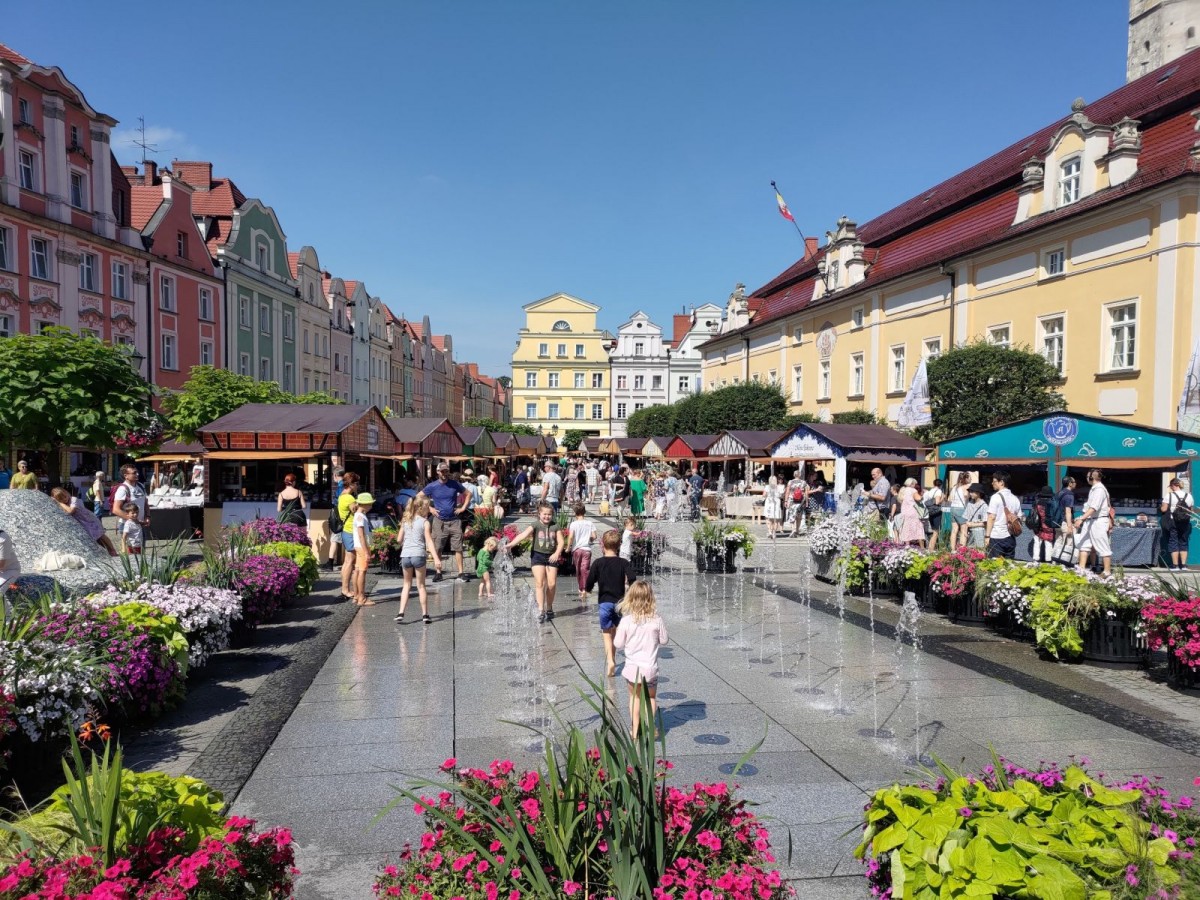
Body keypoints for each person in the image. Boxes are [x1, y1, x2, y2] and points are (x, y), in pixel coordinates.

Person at [614, 580, 668, 740]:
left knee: (634, 698)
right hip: (650, 669)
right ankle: (651, 726)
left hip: (632, 670)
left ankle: (635, 729)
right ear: (651, 598)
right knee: (650, 698)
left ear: (630, 598)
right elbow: (664, 640)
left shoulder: (626, 621)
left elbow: (618, 643)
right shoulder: (656, 619)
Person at [585, 528, 634, 676]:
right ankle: (617, 657)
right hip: (620, 603)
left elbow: (590, 580)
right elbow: (633, 578)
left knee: (607, 633)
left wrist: (587, 590)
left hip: (604, 603)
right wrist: (630, 588)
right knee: (616, 632)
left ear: (602, 545)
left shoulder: (598, 563)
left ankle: (610, 661)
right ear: (619, 545)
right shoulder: (623, 562)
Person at [509, 501, 563, 623]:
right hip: (537, 556)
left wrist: (556, 553)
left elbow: (560, 542)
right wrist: (511, 544)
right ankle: (540, 610)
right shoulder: (535, 525)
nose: (547, 516)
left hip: (551, 557)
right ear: (539, 514)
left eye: (549, 514)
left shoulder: (555, 526)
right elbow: (523, 535)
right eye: (544, 514)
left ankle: (549, 607)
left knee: (552, 584)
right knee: (539, 583)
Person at [395, 495, 440, 625]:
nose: (429, 509)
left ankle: (401, 613)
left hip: (405, 556)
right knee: (421, 586)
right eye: (428, 507)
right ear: (422, 508)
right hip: (418, 555)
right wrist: (436, 558)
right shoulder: (425, 522)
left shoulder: (405, 520)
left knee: (406, 585)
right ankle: (425, 615)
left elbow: (399, 540)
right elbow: (429, 541)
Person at [424, 462, 470, 581]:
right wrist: (430, 508)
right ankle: (438, 572)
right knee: (438, 547)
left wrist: (463, 508)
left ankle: (461, 572)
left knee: (458, 547)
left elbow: (468, 494)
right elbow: (419, 497)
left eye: (446, 471)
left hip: (454, 520)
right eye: (442, 471)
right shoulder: (432, 486)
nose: (444, 473)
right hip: (439, 521)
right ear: (437, 472)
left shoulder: (454, 484)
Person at [50, 486, 117, 556]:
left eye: (65, 496)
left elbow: (70, 511)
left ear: (67, 492)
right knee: (96, 538)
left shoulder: (73, 499)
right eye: (61, 499)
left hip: (90, 520)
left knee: (101, 535)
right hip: (84, 523)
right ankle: (105, 552)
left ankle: (112, 549)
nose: (64, 499)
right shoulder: (65, 505)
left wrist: (60, 503)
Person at [1076, 469, 1113, 576]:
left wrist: (1081, 519)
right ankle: (1081, 569)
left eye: (1088, 476)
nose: (1087, 478)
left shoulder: (1099, 489)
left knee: (1102, 545)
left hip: (1098, 521)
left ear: (1091, 478)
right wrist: (1082, 518)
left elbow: (1094, 507)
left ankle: (1107, 571)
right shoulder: (1094, 489)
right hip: (1090, 520)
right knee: (1083, 544)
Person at [984, 470, 1021, 559]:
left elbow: (991, 517)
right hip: (1010, 537)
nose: (992, 483)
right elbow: (1019, 517)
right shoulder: (1015, 498)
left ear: (1001, 482)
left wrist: (987, 536)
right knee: (1009, 564)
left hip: (997, 536)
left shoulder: (995, 497)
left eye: (994, 481)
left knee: (995, 564)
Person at [113, 464, 149, 555]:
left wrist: (148, 516)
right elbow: (116, 509)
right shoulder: (122, 489)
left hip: (140, 525)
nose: (137, 474)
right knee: (131, 555)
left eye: (137, 472)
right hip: (127, 525)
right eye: (134, 473)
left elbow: (145, 503)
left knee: (140, 553)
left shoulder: (141, 486)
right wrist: (133, 520)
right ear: (126, 476)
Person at [1162, 477, 1194, 571]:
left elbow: (1164, 509)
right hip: (1185, 522)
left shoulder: (1169, 495)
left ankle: (1175, 566)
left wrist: (1161, 507)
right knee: (1184, 541)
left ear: (1174, 485)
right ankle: (1183, 565)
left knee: (1173, 541)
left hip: (1173, 521)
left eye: (1171, 486)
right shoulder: (1189, 496)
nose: (1171, 488)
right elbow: (1190, 510)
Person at [566, 503, 597, 601]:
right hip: (587, 549)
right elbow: (594, 536)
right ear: (585, 512)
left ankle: (581, 588)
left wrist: (568, 547)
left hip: (577, 550)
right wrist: (589, 539)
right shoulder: (590, 523)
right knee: (585, 569)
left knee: (578, 569)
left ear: (575, 513)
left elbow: (571, 537)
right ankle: (586, 588)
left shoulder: (573, 524)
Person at [338, 472, 361, 600]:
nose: (358, 486)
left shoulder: (342, 496)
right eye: (356, 483)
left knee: (347, 561)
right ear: (351, 484)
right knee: (350, 561)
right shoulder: (349, 498)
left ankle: (345, 588)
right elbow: (356, 511)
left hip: (346, 530)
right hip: (350, 530)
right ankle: (345, 589)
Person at [351, 491, 376, 606]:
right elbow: (361, 535)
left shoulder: (358, 515)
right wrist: (366, 552)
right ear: (364, 504)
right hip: (362, 547)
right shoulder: (360, 517)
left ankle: (356, 595)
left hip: (358, 546)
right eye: (370, 504)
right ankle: (361, 598)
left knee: (357, 570)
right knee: (362, 571)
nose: (371, 506)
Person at [1030, 485, 1059, 563]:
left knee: (1037, 541)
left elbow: (1033, 514)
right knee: (1048, 542)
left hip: (1038, 525)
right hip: (1048, 525)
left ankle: (1036, 559)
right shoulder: (1052, 503)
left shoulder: (1036, 502)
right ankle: (1048, 560)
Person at [897, 477, 926, 546]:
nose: (915, 485)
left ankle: (907, 545)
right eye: (915, 484)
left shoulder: (903, 490)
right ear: (912, 484)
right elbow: (918, 498)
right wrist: (923, 495)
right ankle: (922, 547)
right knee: (918, 527)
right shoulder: (913, 490)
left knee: (906, 527)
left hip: (904, 511)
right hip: (912, 510)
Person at [947, 472, 971, 549]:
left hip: (953, 508)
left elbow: (949, 499)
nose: (971, 479)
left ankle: (952, 549)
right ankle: (962, 550)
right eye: (969, 477)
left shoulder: (955, 487)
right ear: (966, 479)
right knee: (964, 530)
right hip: (961, 509)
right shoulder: (967, 486)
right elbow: (966, 495)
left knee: (954, 530)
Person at [962, 483, 989, 549]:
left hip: (980, 532)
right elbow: (966, 519)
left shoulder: (984, 506)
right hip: (970, 532)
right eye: (970, 492)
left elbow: (985, 523)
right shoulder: (970, 503)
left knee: (980, 550)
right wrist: (965, 530)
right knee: (969, 550)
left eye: (972, 492)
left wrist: (972, 524)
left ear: (979, 493)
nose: (970, 493)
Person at [924, 478, 945, 550]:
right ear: (941, 485)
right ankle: (931, 549)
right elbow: (937, 502)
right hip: (936, 512)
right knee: (936, 532)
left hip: (930, 512)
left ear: (933, 484)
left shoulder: (930, 491)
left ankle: (930, 547)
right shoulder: (938, 491)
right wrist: (943, 498)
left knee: (933, 531)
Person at [476, 536, 498, 601]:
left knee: (482, 581)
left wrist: (481, 562)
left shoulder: (481, 551)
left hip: (479, 568)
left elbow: (477, 558)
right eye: (492, 549)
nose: (492, 550)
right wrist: (492, 562)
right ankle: (489, 593)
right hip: (484, 569)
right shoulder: (486, 553)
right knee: (488, 581)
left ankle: (480, 593)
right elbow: (486, 561)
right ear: (490, 545)